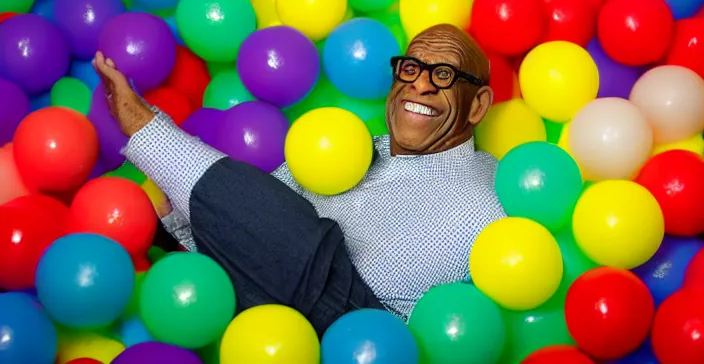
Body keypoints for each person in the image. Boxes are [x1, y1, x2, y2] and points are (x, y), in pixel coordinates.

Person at [93, 23, 506, 335]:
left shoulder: (482, 204)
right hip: (264, 312)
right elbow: (262, 219)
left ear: (477, 106)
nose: (419, 83)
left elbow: (320, 269)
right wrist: (188, 224)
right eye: (411, 67)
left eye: (444, 76)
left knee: (317, 251)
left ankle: (148, 133)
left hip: (358, 327)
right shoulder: (351, 145)